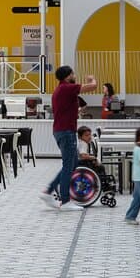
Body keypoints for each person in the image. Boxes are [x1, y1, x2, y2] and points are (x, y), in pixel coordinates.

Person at [41, 65, 97, 211]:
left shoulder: (60, 90)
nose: (75, 76)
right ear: (67, 76)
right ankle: (65, 201)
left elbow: (66, 109)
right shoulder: (67, 88)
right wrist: (92, 79)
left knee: (71, 165)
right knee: (68, 166)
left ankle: (48, 191)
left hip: (62, 130)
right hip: (66, 132)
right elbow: (92, 87)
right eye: (73, 74)